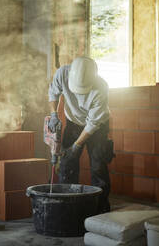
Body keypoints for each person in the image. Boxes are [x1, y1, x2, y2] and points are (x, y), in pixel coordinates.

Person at [48, 56, 114, 213]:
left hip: (97, 127)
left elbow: (92, 123)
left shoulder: (101, 87)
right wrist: (53, 114)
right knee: (66, 163)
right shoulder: (62, 73)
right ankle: (68, 204)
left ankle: (100, 208)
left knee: (98, 165)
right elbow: (53, 93)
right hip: (73, 122)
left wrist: (76, 147)